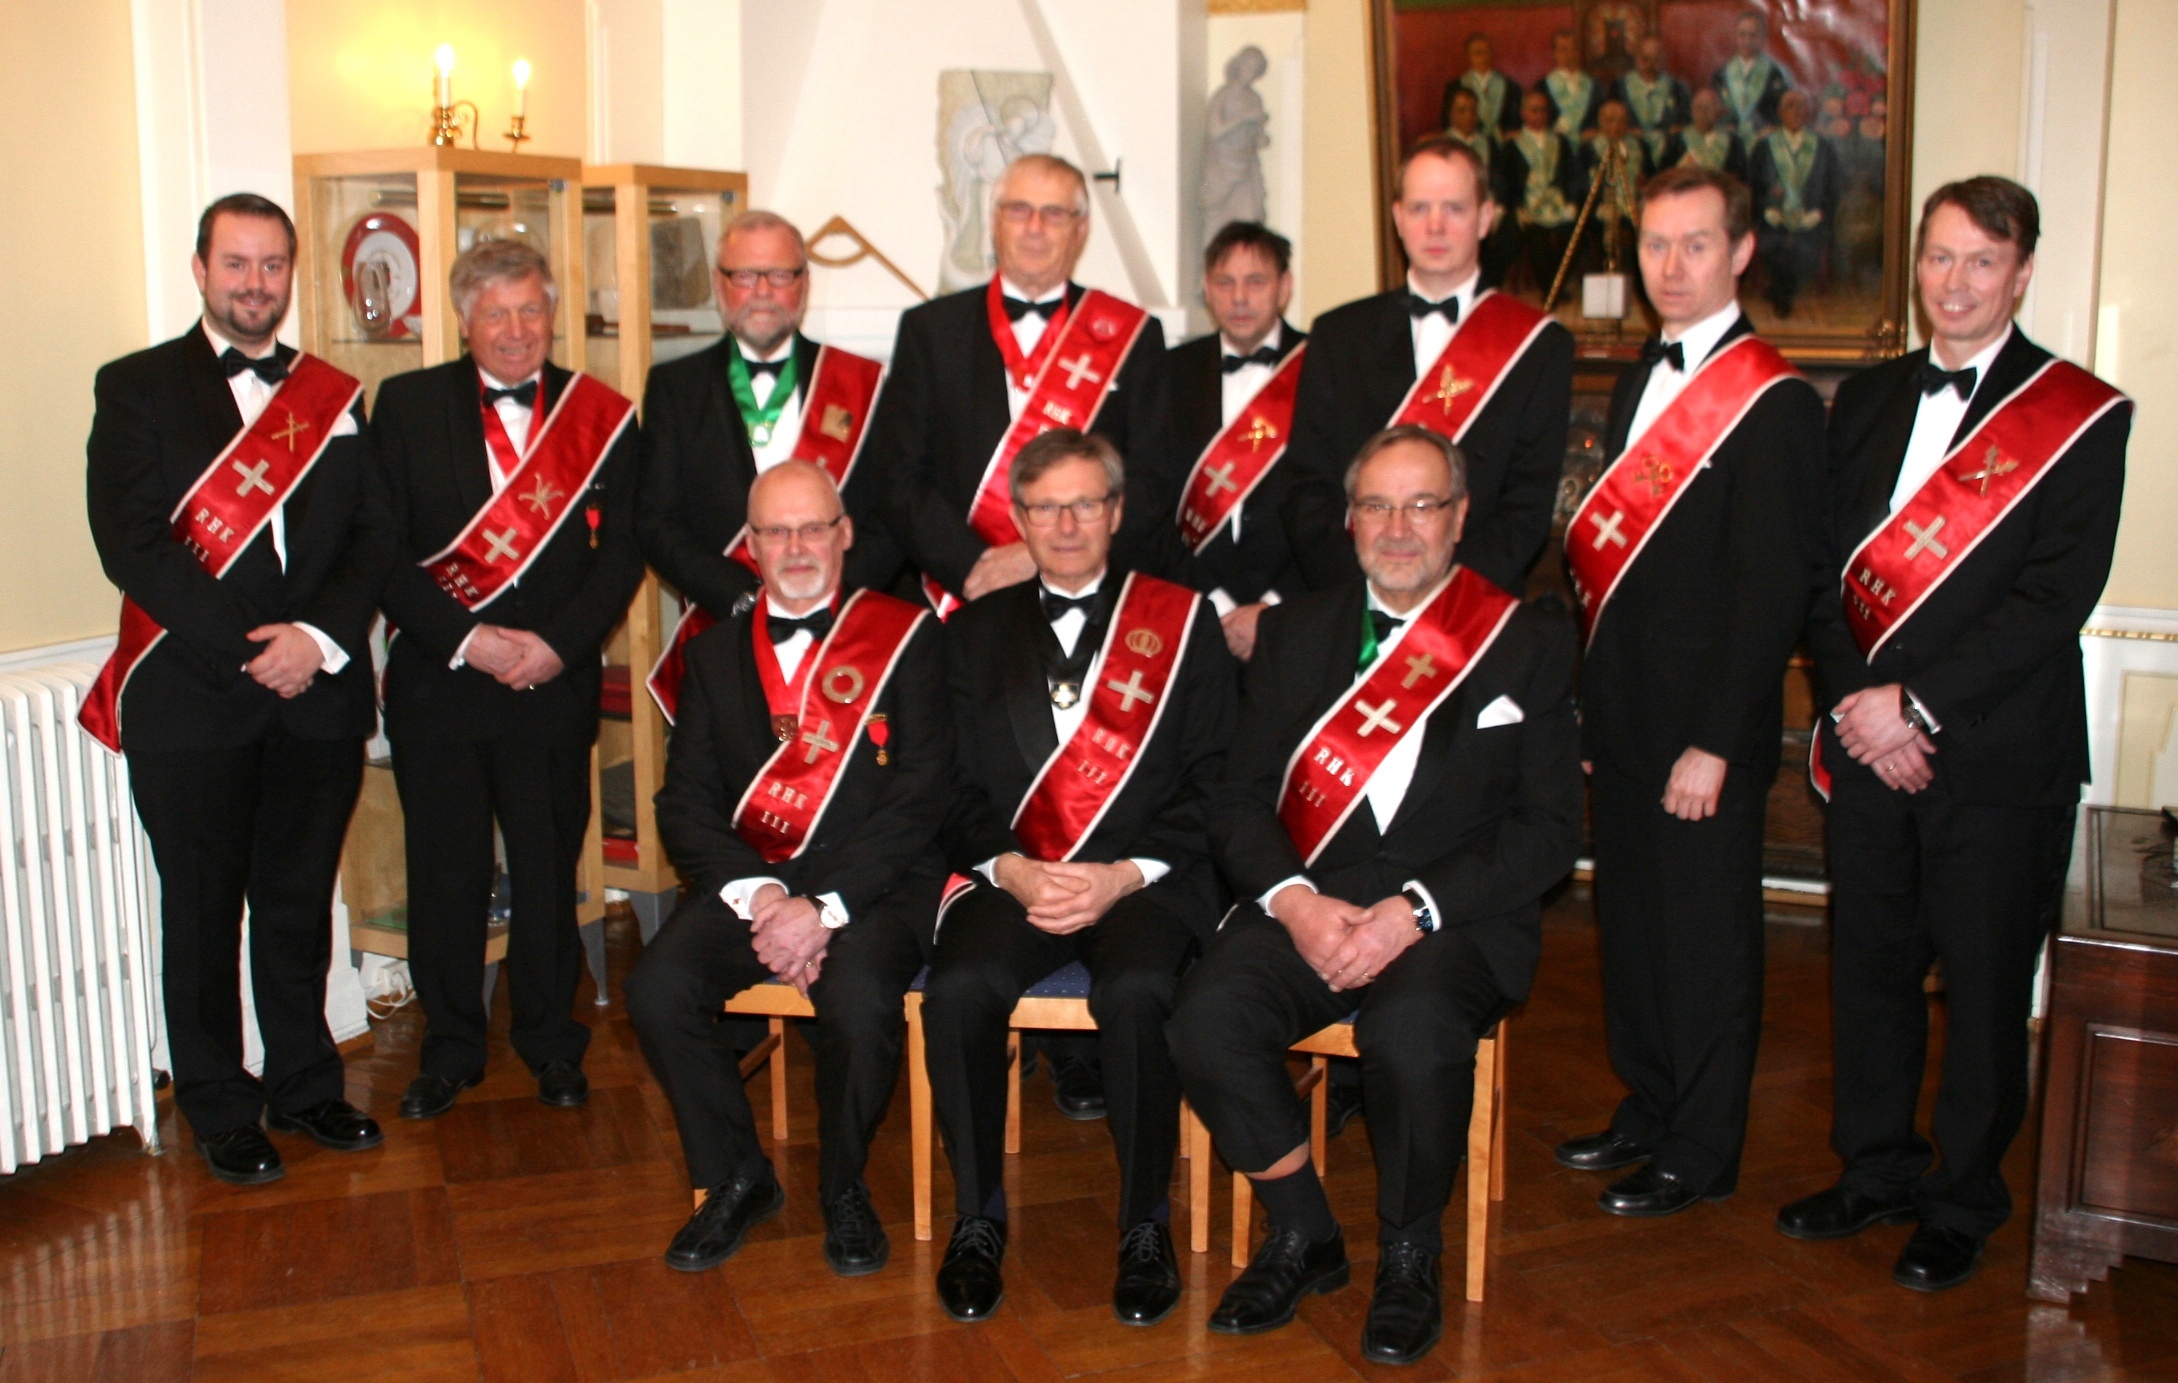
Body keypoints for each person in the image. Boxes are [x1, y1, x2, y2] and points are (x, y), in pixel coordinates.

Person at [1170, 426, 1580, 1367]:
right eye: (1377, 506)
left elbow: (1551, 828)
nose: (1399, 527)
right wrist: (1293, 901)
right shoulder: (1293, 633)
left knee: (1414, 1031)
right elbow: (1237, 801)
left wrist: (1415, 911)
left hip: (1454, 915)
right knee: (1205, 1016)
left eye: (1422, 505)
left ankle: (1409, 1251)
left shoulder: (1524, 639)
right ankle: (1305, 1229)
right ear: (1349, 521)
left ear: (1459, 517)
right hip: (1314, 899)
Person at [1790, 177, 2130, 1293]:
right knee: (1870, 973)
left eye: (1983, 260)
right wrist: (1861, 706)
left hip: (1998, 760)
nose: (1956, 281)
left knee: (1985, 994)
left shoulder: (2081, 415)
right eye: (1940, 257)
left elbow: (2052, 600)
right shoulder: (1866, 400)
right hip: (1870, 747)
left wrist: (1917, 706)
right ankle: (1875, 1168)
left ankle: (1963, 1199)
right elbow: (1825, 575)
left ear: (2022, 273)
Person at [83, 193, 385, 1185]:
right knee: (204, 916)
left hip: (317, 695)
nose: (256, 284)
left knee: (297, 908)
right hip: (193, 697)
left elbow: (370, 537)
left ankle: (305, 1084)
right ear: (201, 269)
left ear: (291, 274)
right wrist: (254, 648)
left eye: (272, 265)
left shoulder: (335, 396)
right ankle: (219, 1104)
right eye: (237, 263)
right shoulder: (135, 387)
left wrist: (316, 640)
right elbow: (132, 544)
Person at [1555, 166, 1826, 1217]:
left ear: (1741, 251)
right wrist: (1591, 705)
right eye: (1656, 244)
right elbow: (1608, 581)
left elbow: (1770, 592)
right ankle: (1652, 1103)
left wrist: (1715, 740)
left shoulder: (1775, 402)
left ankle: (1704, 1145)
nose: (1671, 266)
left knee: (1705, 941)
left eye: (1696, 243)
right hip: (1625, 715)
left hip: (1704, 730)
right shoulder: (1637, 381)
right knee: (1631, 926)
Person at [922, 429, 1236, 1328]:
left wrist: (1122, 875)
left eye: (1085, 503)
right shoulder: (969, 633)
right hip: (1017, 872)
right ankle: (977, 1216)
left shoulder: (1183, 620)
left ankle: (1145, 1224)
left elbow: (1216, 779)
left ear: (1117, 511)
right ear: (1018, 520)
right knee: (959, 988)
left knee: (1139, 990)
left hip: (1144, 878)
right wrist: (1013, 869)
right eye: (1046, 507)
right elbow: (948, 787)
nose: (1065, 524)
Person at [625, 461, 949, 1278]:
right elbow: (684, 804)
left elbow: (924, 795)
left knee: (858, 996)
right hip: (757, 880)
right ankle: (737, 1175)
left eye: (813, 528)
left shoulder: (908, 636)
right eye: (776, 531)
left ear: (845, 535)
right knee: (657, 987)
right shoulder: (711, 655)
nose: (796, 546)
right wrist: (767, 896)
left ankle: (843, 1186)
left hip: (876, 885)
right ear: (752, 547)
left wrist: (826, 905)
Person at [368, 240, 645, 1121]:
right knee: (445, 876)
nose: (517, 329)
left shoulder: (600, 415)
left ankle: (551, 1040)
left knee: (546, 870)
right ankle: (449, 1048)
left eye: (531, 309)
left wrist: (560, 645)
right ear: (463, 320)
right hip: (441, 685)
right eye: (496, 313)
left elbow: (623, 553)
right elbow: (381, 552)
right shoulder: (405, 406)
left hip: (550, 686)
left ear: (552, 312)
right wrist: (468, 639)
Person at [871, 153, 1175, 619]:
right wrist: (973, 566)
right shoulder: (929, 330)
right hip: (959, 594)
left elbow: (1152, 479)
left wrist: (1044, 557)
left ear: (1081, 230)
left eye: (1054, 213)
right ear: (995, 222)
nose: (1035, 228)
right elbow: (898, 475)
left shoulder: (1133, 335)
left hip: (1087, 595)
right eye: (1019, 210)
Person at [1283, 134, 1573, 599]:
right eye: (1420, 209)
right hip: (1352, 602)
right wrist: (1366, 597)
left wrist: (1442, 605)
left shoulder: (1540, 345)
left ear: (1485, 218)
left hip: (1475, 608)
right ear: (1398, 218)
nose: (1435, 227)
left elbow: (1526, 507)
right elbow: (1306, 491)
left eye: (1454, 209)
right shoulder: (1338, 335)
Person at [636, 211, 894, 719]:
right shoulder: (675, 387)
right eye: (744, 275)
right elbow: (654, 520)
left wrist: (833, 598)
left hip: (842, 633)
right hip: (722, 634)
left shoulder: (863, 384)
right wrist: (740, 599)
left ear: (804, 283)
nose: (761, 291)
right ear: (719, 284)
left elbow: (893, 514)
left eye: (779, 275)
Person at [1168, 221, 1307, 661]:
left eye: (1256, 281)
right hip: (1195, 609)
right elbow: (1153, 502)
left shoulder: (1323, 368)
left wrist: (1276, 607)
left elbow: (1337, 504)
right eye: (1225, 282)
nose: (1240, 297)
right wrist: (1216, 605)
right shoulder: (1170, 374)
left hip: (1296, 611)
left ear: (1285, 287)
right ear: (1207, 289)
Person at [1750, 90, 1841, 318]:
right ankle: (1783, 294)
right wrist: (1766, 211)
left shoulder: (1823, 147)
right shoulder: (1764, 147)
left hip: (1810, 220)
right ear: (1780, 112)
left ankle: (1781, 292)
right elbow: (1753, 186)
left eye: (1802, 106)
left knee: (1803, 248)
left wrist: (1819, 214)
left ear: (1809, 111)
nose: (1797, 111)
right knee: (1775, 245)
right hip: (1774, 220)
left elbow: (1835, 187)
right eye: (1790, 106)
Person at [1502, 91, 1586, 299]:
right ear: (1523, 113)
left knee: (1578, 235)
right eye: (1534, 110)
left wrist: (1572, 201)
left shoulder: (1560, 142)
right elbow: (1506, 181)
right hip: (1528, 205)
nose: (1540, 115)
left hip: (1558, 203)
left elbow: (1573, 175)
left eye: (1544, 110)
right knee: (1536, 237)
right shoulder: (1513, 145)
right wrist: (1517, 207)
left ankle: (1557, 284)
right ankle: (1549, 290)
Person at [1581, 100, 1651, 272]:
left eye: (1621, 121)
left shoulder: (1639, 146)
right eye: (1610, 120)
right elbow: (1581, 184)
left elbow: (1652, 177)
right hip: (1600, 206)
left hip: (1634, 205)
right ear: (1601, 122)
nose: (1616, 126)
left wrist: (1643, 186)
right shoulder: (1589, 148)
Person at [1612, 36, 1693, 169]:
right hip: (1630, 153)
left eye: (1656, 60)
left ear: (1664, 60)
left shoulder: (1678, 88)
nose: (1650, 65)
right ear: (1636, 59)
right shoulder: (1619, 87)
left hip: (1668, 157)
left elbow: (1685, 125)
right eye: (1645, 59)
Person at [1713, 8, 1791, 137]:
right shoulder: (1721, 75)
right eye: (1742, 35)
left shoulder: (1777, 74)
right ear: (1735, 37)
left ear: (1763, 37)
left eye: (1753, 35)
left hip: (1767, 140)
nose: (1747, 41)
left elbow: (1786, 112)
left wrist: (1773, 129)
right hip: (1730, 140)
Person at [1441, 33, 1521, 137]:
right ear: (1468, 56)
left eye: (1487, 52)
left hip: (1502, 143)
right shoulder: (1455, 87)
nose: (1483, 57)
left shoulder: (1510, 87)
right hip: (1469, 141)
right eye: (1478, 53)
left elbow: (1516, 122)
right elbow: (1448, 122)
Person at [1676, 89, 1749, 182]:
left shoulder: (1734, 142)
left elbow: (1742, 176)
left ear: (1717, 111)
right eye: (1698, 108)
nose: (1702, 113)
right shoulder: (1677, 140)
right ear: (1691, 110)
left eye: (1708, 108)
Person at [1543, 29, 1601, 139]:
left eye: (1573, 49)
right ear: (1554, 53)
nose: (1568, 54)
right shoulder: (1543, 87)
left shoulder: (1595, 86)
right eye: (1563, 49)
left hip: (1587, 143)